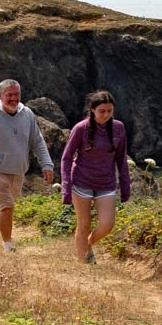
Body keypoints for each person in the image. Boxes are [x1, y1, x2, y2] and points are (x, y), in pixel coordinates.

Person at [0, 78, 55, 252]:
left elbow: (37, 141)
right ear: (0, 96)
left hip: (18, 170)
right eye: (9, 95)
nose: (14, 98)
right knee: (7, 207)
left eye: (17, 94)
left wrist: (47, 164)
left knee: (3, 208)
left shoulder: (27, 114)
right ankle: (8, 247)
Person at [60, 89, 130, 264]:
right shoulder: (80, 128)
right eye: (102, 111)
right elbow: (66, 158)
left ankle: (87, 244)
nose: (106, 115)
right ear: (92, 110)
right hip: (81, 181)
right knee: (84, 225)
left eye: (109, 111)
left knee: (107, 225)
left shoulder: (119, 128)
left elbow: (121, 159)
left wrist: (125, 186)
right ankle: (84, 264)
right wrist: (66, 187)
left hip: (106, 183)